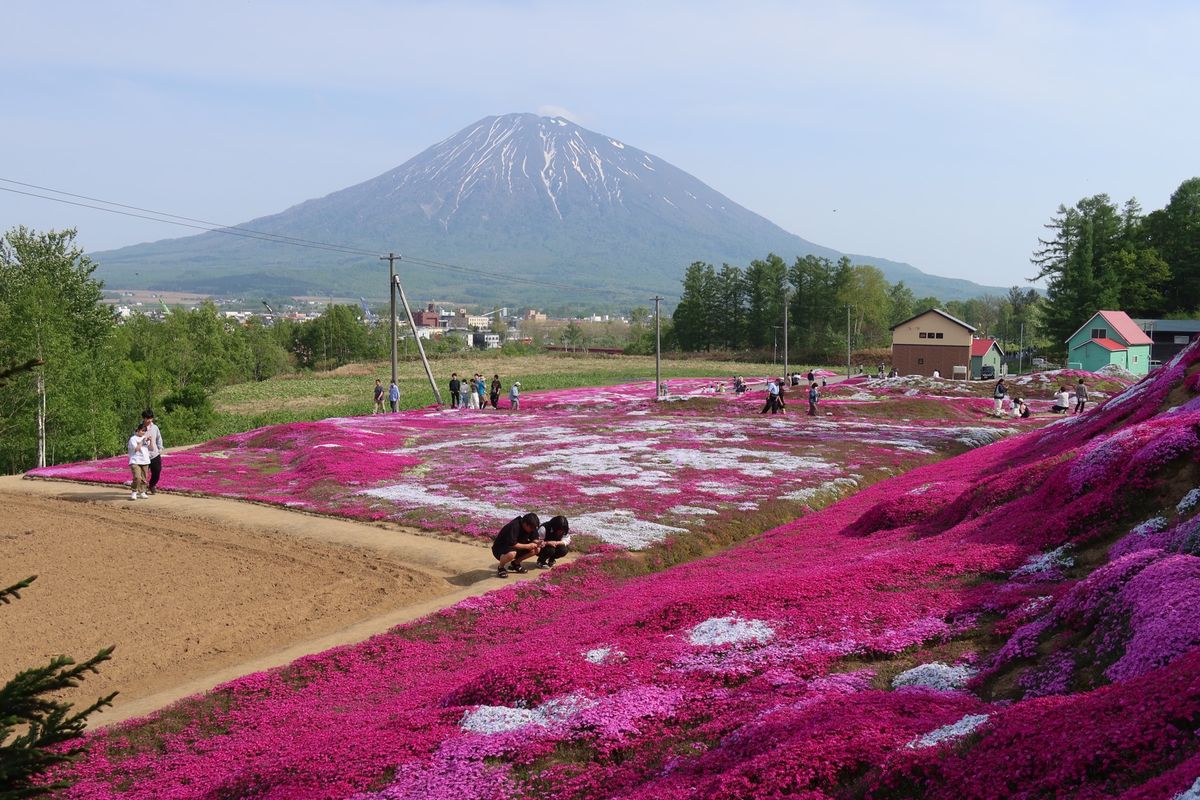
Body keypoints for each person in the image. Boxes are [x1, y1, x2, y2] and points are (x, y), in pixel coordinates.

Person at [492, 512, 541, 577]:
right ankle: (501, 567)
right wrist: (528, 546)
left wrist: (538, 542)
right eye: (531, 528)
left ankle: (515, 564)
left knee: (537, 549)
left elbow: (534, 538)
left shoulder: (532, 526)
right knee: (512, 553)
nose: (533, 530)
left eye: (534, 528)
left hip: (516, 547)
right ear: (525, 524)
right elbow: (512, 544)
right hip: (500, 548)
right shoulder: (514, 526)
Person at [127, 422, 152, 500]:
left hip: (145, 461)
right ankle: (134, 491)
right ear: (137, 430)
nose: (143, 432)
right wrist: (142, 441)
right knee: (137, 477)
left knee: (144, 478)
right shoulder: (133, 439)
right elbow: (136, 449)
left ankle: (142, 492)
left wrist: (150, 441)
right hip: (135, 460)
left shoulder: (145, 438)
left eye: (144, 431)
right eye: (142, 430)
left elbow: (151, 448)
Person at [142, 409, 164, 494]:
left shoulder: (155, 427)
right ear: (144, 418)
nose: (149, 420)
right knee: (143, 474)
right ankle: (143, 489)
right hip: (143, 455)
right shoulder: (140, 428)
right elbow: (136, 439)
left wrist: (160, 449)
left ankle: (152, 485)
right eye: (147, 418)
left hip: (154, 454)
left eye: (151, 418)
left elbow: (159, 438)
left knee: (157, 471)